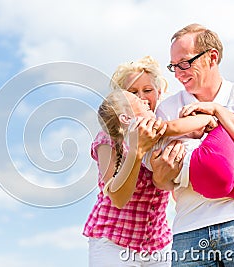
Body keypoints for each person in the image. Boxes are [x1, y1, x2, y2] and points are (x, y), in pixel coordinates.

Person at [151, 23, 234, 266]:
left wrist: (219, 113)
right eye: (174, 66)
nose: (178, 73)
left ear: (212, 57)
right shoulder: (168, 110)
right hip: (189, 228)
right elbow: (162, 183)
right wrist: (162, 172)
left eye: (185, 63)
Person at [83, 56, 177, 267]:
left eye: (147, 90)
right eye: (133, 93)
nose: (142, 97)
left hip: (158, 245)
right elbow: (118, 198)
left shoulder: (166, 132)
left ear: (159, 93)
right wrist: (137, 150)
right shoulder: (109, 138)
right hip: (113, 243)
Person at [101, 89, 234, 205]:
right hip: (207, 162)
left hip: (201, 184)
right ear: (125, 118)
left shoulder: (130, 142)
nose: (143, 100)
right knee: (226, 120)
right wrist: (208, 117)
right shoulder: (141, 126)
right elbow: (175, 127)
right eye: (136, 100)